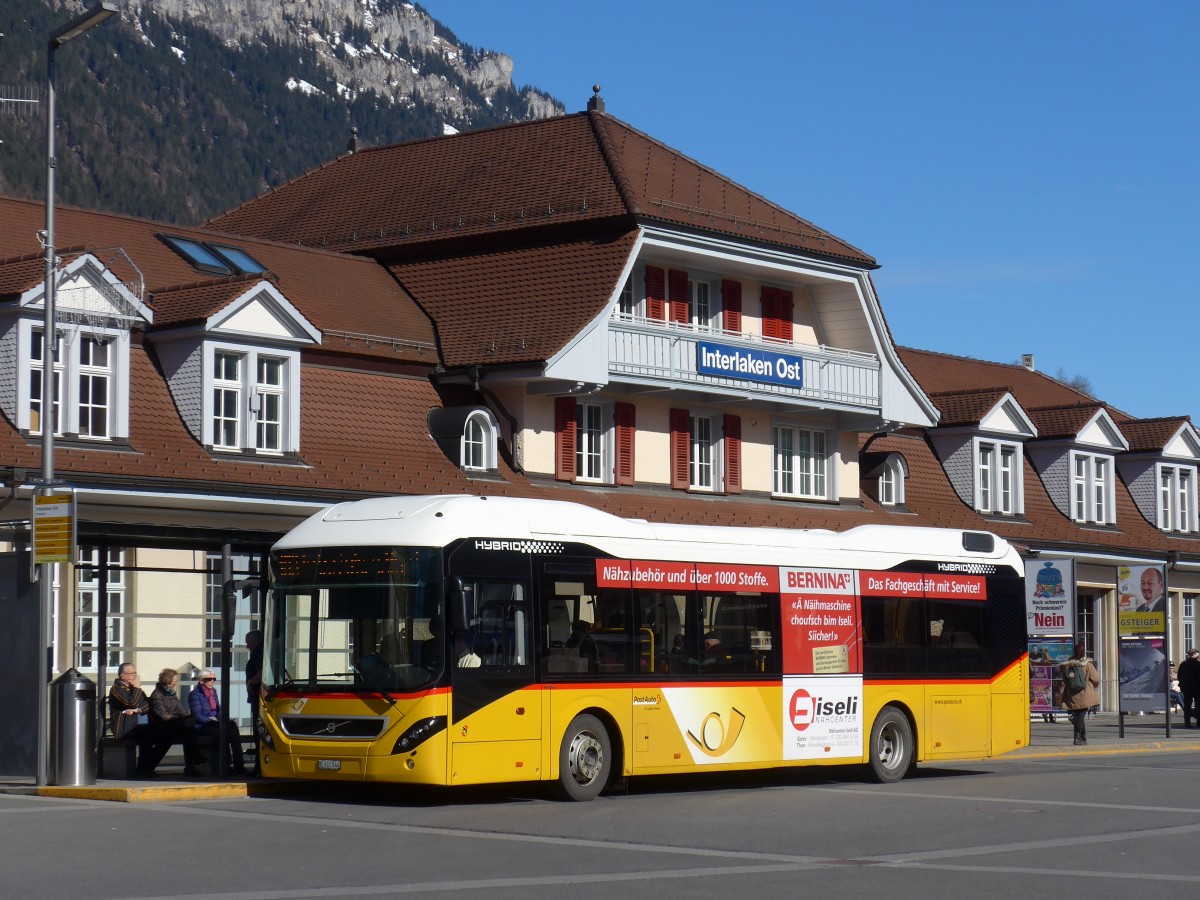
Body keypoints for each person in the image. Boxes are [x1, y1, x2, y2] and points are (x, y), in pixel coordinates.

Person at [108, 662, 170, 777]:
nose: (134, 676)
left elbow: (148, 704)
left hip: (139, 724)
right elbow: (130, 702)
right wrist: (136, 689)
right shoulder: (116, 689)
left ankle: (148, 767)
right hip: (125, 727)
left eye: (135, 673)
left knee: (166, 737)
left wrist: (137, 710)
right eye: (131, 674)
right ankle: (143, 769)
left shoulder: (135, 689)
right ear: (122, 676)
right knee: (147, 736)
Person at [188, 668, 247, 773]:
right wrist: (212, 721)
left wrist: (221, 719)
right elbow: (197, 716)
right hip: (203, 725)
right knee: (224, 733)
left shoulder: (213, 692)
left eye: (214, 679)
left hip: (215, 723)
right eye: (209, 679)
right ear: (201, 681)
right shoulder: (194, 694)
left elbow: (218, 710)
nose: (212, 681)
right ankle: (226, 766)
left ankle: (239, 764)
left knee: (233, 728)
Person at [149, 668, 206, 775]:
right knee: (185, 732)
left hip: (173, 725)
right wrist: (181, 722)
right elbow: (163, 715)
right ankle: (194, 759)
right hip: (162, 726)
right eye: (175, 681)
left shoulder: (171, 693)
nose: (177, 682)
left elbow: (180, 710)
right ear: (168, 681)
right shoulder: (157, 695)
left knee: (189, 731)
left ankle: (192, 764)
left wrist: (188, 717)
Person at [1060, 642, 1101, 745]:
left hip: (1072, 694)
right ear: (1083, 652)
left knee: (1077, 716)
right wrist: (1094, 685)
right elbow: (1096, 679)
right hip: (1084, 693)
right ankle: (1078, 737)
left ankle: (1083, 737)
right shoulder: (1087, 664)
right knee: (1081, 716)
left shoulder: (1068, 665)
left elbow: (1064, 679)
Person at [244, 629, 264, 776]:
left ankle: (259, 767)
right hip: (257, 697)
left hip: (259, 698)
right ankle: (259, 766)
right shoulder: (259, 652)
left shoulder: (259, 653)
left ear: (254, 641)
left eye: (248, 642)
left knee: (259, 733)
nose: (247, 646)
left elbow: (262, 671)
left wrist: (251, 682)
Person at [1178, 648, 1200, 728]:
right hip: (1196, 687)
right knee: (1198, 705)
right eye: (1197, 654)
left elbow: (1179, 676)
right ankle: (1198, 723)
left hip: (1185, 687)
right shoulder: (1197, 664)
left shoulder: (1183, 664)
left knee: (1187, 705)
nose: (1198, 656)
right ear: (1194, 655)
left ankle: (1187, 723)